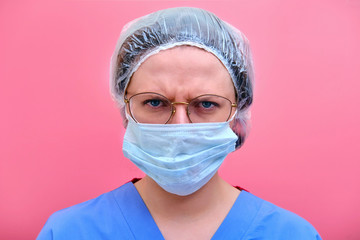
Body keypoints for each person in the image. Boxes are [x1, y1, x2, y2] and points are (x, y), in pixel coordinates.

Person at [37, 7, 322, 239]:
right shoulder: (67, 232)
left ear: (237, 113)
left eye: (206, 104)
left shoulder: (292, 234)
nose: (180, 127)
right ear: (126, 107)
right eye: (155, 102)